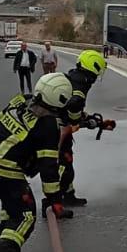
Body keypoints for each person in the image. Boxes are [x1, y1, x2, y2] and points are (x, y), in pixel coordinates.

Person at [0, 73, 74, 252]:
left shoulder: (21, 100)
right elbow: (48, 168)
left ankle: (6, 242)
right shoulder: (48, 126)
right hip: (3, 168)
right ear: (60, 100)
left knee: (12, 206)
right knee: (26, 213)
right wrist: (54, 200)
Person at [47, 48, 110, 212]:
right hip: (57, 129)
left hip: (58, 126)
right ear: (92, 68)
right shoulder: (80, 87)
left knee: (67, 163)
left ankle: (68, 196)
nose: (97, 76)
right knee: (63, 165)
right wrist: (86, 122)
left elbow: (71, 108)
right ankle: (53, 200)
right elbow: (73, 111)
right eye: (98, 71)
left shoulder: (74, 78)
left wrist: (87, 118)